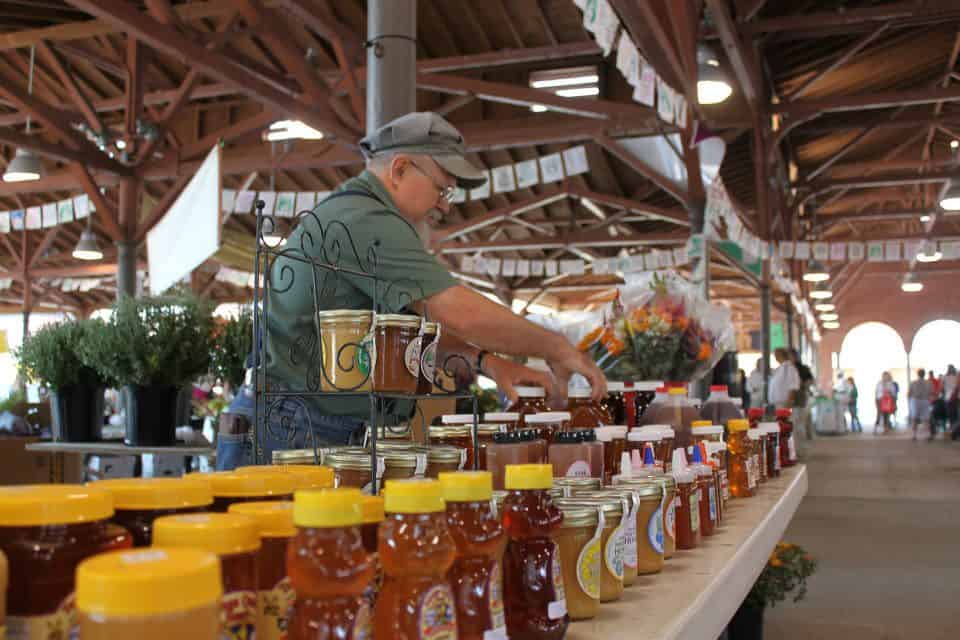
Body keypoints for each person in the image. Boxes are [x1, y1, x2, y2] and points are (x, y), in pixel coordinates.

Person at [254, 112, 606, 464]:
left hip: (312, 420)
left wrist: (488, 362)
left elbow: (412, 334)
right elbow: (458, 312)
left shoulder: (363, 213)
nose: (444, 204)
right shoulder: (364, 219)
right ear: (400, 169)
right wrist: (557, 346)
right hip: (294, 424)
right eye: (442, 187)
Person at [790, 348, 815, 440]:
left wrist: (803, 385)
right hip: (795, 397)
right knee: (797, 421)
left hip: (800, 397)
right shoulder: (789, 368)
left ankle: (802, 443)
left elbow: (811, 380)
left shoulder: (802, 368)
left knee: (799, 421)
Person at [907, 368, 932, 441]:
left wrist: (909, 402)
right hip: (925, 400)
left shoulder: (913, 382)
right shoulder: (928, 382)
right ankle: (927, 434)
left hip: (915, 400)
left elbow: (909, 393)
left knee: (914, 418)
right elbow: (931, 392)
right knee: (926, 419)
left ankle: (914, 435)